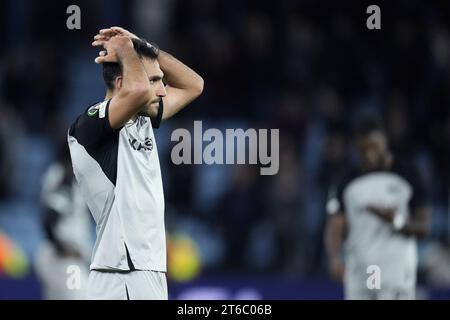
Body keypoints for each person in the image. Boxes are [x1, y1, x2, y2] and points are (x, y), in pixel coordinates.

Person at [67, 26, 203, 299]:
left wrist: (143, 45)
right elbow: (139, 90)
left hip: (145, 271)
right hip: (121, 274)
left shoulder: (141, 120)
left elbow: (194, 85)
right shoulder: (89, 125)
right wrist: (125, 48)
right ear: (121, 84)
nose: (163, 91)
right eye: (155, 80)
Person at [324, 117, 431, 300]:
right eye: (363, 149)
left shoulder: (408, 173)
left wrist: (396, 221)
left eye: (374, 147)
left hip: (396, 272)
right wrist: (335, 259)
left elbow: (424, 228)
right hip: (360, 273)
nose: (369, 155)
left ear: (384, 142)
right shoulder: (345, 179)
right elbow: (335, 224)